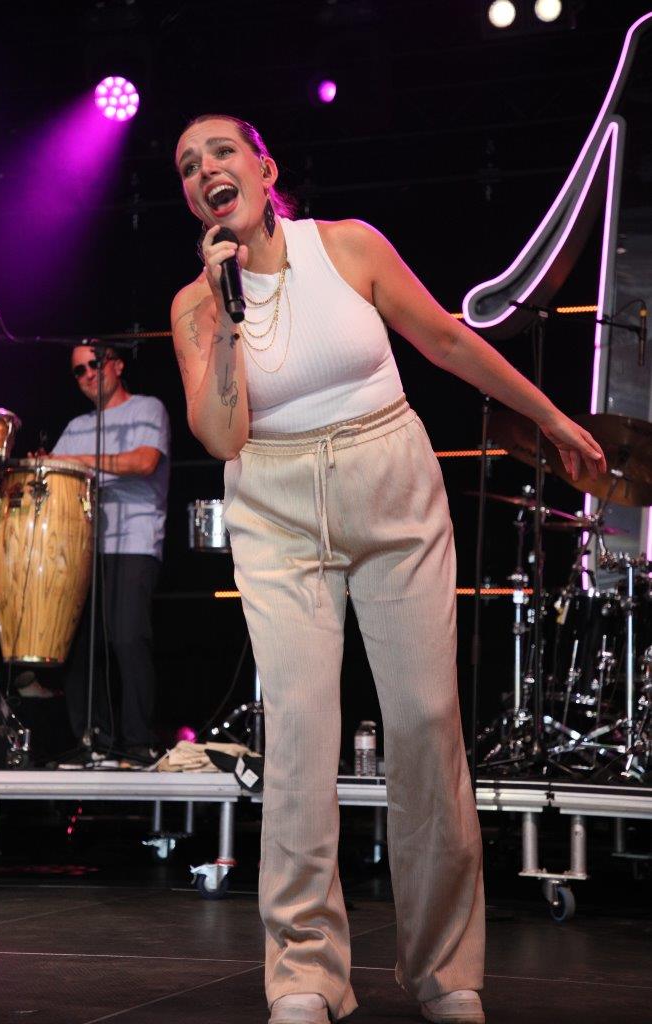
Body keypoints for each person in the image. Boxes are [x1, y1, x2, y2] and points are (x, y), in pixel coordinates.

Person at [170, 115, 606, 1024]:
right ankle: (304, 974)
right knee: (298, 736)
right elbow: (222, 436)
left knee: (425, 725)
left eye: (221, 152)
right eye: (187, 166)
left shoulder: (348, 247)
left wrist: (553, 418)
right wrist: (225, 312)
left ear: (264, 169)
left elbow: (447, 341)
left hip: (390, 484)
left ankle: (445, 971)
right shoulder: (197, 307)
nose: (205, 169)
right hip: (275, 505)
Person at [49, 344, 170, 767]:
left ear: (117, 365)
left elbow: (144, 462)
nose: (87, 373)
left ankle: (138, 744)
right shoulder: (76, 426)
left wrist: (77, 460)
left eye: (94, 364)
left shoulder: (147, 409)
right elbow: (52, 472)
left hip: (134, 539)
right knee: (79, 645)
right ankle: (92, 741)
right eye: (78, 370)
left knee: (127, 637)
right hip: (83, 547)